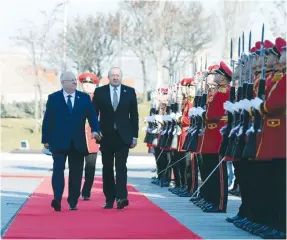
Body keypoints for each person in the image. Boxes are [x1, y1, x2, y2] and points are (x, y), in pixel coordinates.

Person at [42, 71, 99, 211]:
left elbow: (92, 117)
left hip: (77, 143)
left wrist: (95, 130)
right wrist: (45, 139)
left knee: (76, 173)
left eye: (75, 80)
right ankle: (57, 198)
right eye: (71, 80)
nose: (75, 82)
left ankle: (73, 201)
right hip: (58, 141)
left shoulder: (84, 98)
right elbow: (47, 120)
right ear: (63, 83)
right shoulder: (54, 98)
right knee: (58, 171)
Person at [92, 67, 139, 210]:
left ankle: (121, 197)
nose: (115, 77)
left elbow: (134, 116)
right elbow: (94, 113)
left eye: (118, 75)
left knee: (121, 167)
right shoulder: (100, 92)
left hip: (123, 137)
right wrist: (95, 130)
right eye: (112, 75)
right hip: (105, 136)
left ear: (121, 77)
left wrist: (135, 136)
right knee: (107, 168)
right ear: (108, 77)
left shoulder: (129, 92)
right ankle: (109, 198)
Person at [78, 72, 100, 200]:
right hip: (77, 137)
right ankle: (75, 189)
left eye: (90, 84)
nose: (87, 86)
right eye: (85, 83)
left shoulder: (98, 100)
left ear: (94, 86)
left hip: (92, 138)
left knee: (90, 168)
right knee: (77, 167)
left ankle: (86, 191)